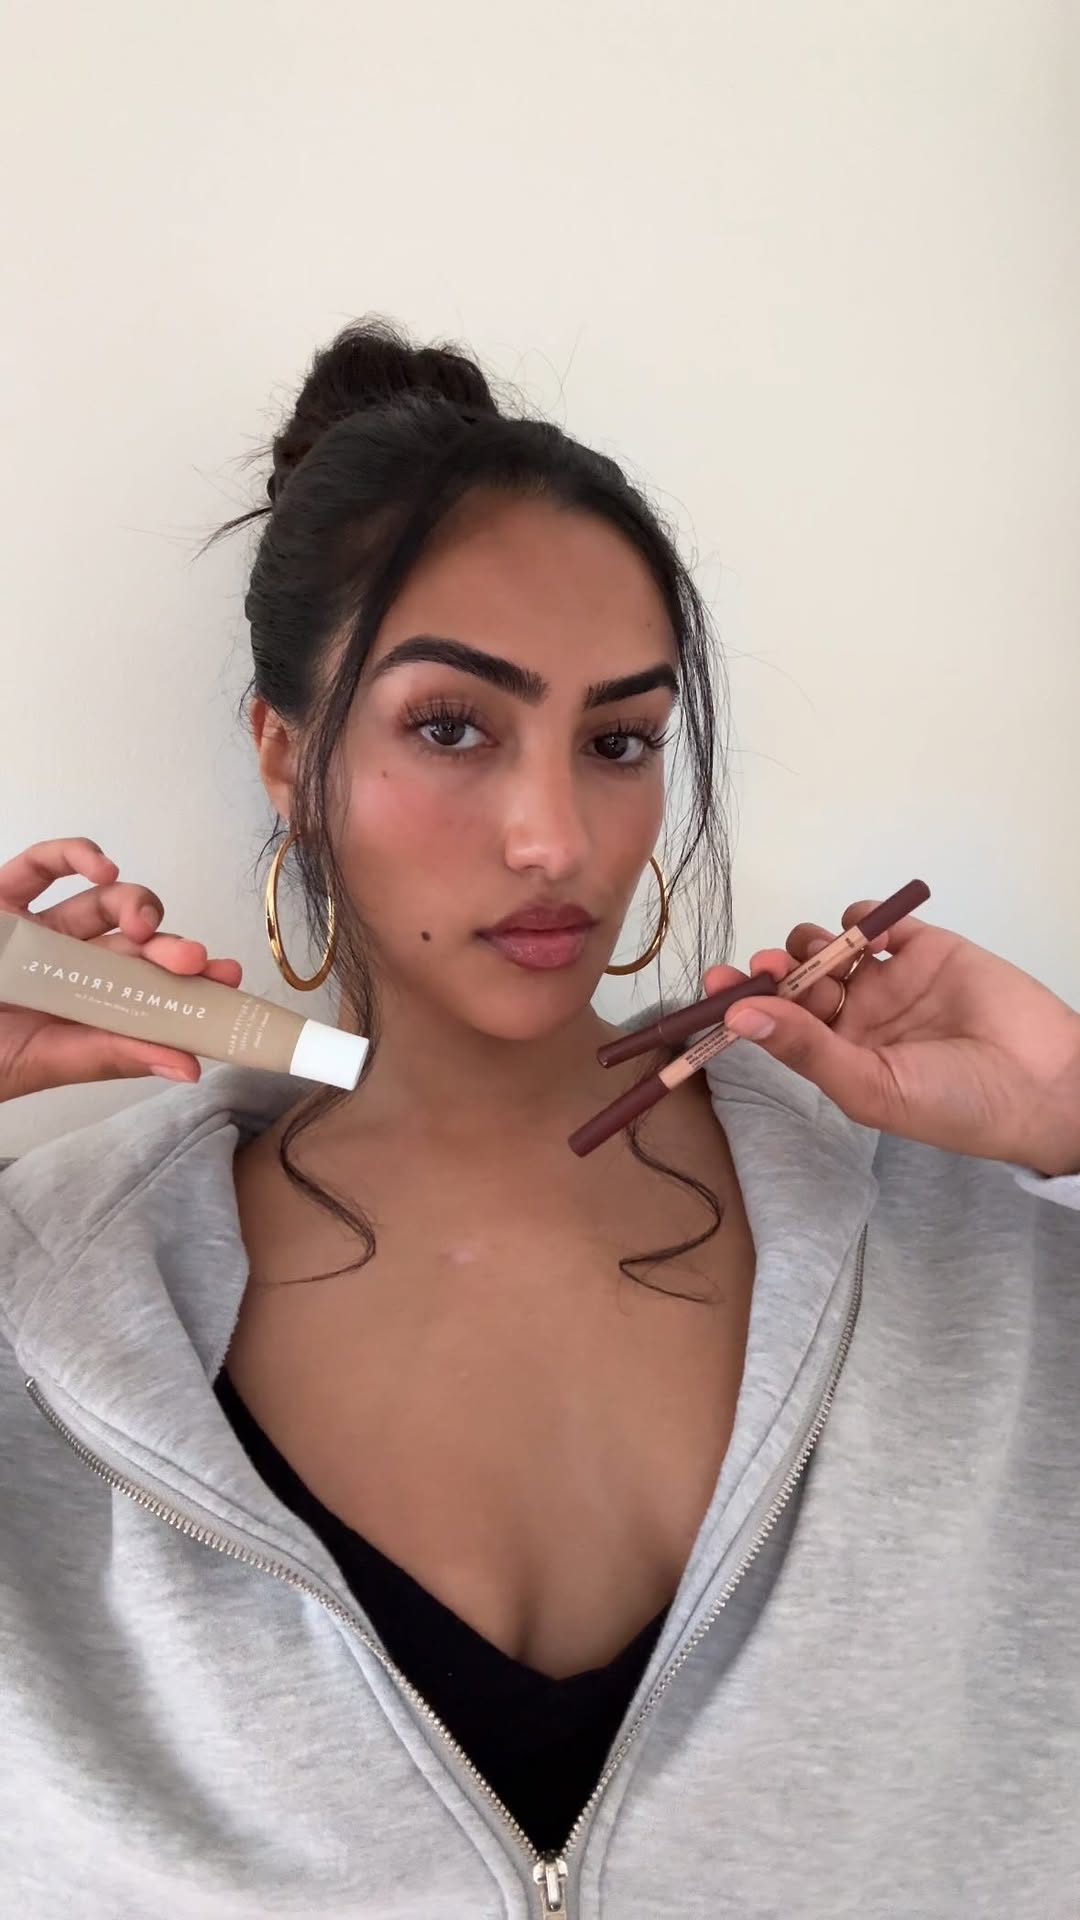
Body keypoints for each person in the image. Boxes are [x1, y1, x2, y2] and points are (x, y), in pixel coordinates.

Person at [1, 319, 1078, 1920]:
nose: (555, 837)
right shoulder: (51, 1304)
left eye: (619, 741)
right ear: (287, 755)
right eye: (452, 727)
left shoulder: (968, 1243)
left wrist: (1072, 1117)